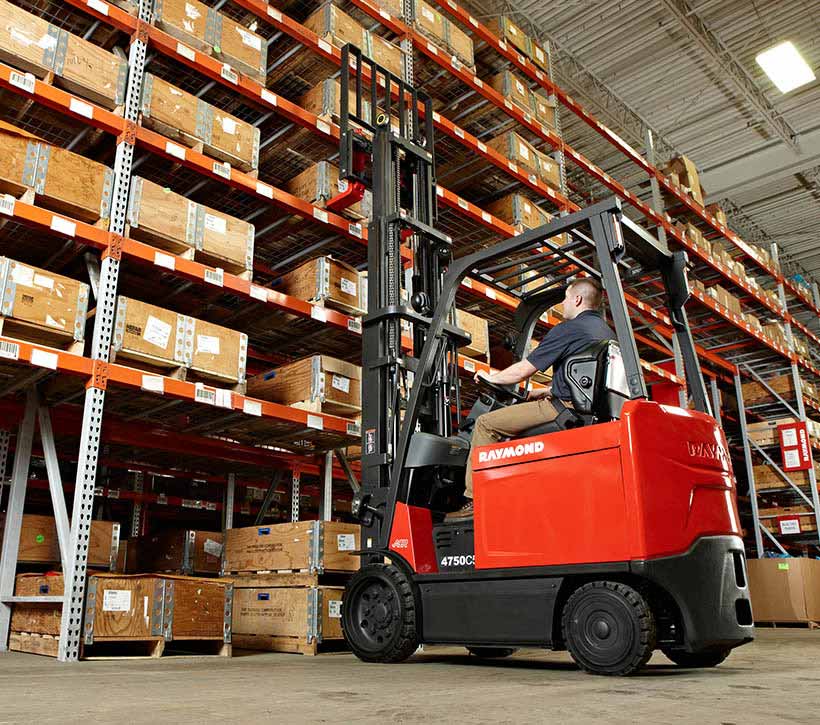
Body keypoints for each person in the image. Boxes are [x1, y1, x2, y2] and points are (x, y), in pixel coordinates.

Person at [447, 277, 615, 520]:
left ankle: (475, 502)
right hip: (587, 412)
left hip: (562, 411)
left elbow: (524, 369)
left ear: (577, 299)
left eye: (566, 299)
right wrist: (548, 390)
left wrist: (491, 376)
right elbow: (588, 378)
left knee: (485, 424)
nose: (563, 305)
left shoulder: (568, 329)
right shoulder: (605, 332)